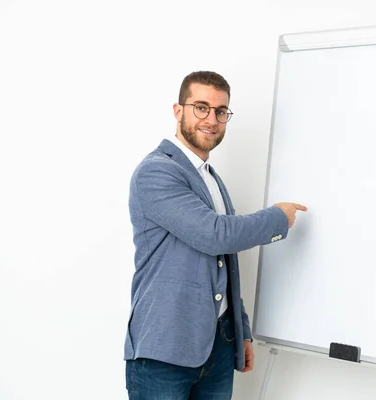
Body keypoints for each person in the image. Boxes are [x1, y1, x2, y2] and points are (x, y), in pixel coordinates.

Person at [124, 70, 307, 399]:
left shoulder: (211, 178)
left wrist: (241, 330)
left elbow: (223, 264)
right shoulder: (156, 172)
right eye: (201, 107)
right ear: (178, 110)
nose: (212, 119)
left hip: (218, 347)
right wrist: (278, 217)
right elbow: (215, 235)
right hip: (164, 351)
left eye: (221, 111)